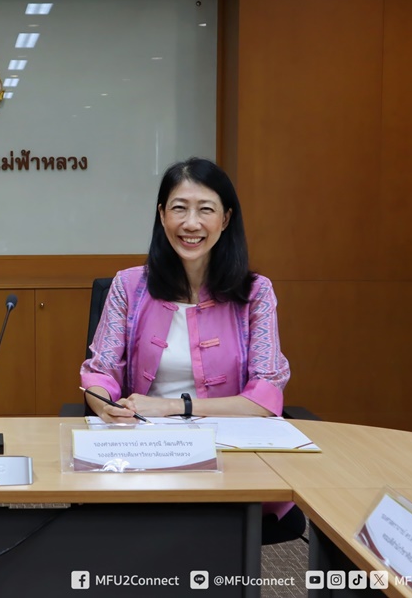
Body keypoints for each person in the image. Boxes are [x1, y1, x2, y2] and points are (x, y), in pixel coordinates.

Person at [80, 156, 304, 544]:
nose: (191, 223)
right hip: (146, 447)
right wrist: (104, 406)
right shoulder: (129, 286)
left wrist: (172, 406)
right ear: (162, 215)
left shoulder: (255, 293)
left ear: (226, 219)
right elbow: (100, 372)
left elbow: (265, 397)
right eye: (180, 208)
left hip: (228, 453)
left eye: (206, 210)